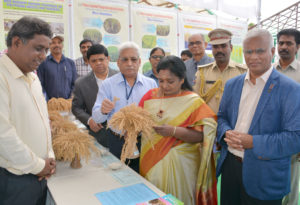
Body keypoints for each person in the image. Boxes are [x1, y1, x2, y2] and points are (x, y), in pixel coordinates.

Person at [216, 28, 300, 205]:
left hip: (265, 174)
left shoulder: (290, 89)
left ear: (271, 51)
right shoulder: (232, 85)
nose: (253, 57)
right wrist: (226, 132)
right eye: (249, 52)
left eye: (260, 51)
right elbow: (222, 117)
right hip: (231, 167)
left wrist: (252, 142)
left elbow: (295, 138)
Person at [139, 56, 217, 205]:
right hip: (151, 160)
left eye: (170, 81)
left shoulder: (192, 101)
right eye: (161, 81)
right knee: (154, 197)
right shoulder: (150, 96)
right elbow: (137, 120)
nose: (164, 86)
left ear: (182, 79)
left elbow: (203, 135)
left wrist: (173, 131)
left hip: (183, 165)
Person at [0, 16, 56, 205]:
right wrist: (38, 165)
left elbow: (42, 120)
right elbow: (3, 134)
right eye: (38, 48)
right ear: (16, 42)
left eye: (46, 50)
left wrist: (49, 158)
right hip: (14, 179)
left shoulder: (33, 77)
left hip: (38, 174)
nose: (43, 56)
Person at [92, 42, 157, 172]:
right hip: (117, 140)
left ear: (139, 62)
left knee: (143, 174)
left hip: (143, 140)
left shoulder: (151, 84)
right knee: (118, 175)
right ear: (118, 63)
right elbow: (96, 118)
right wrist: (103, 111)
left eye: (133, 59)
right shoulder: (108, 84)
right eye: (125, 60)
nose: (129, 63)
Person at [72, 44, 118, 147]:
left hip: (121, 133)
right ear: (88, 62)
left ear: (108, 59)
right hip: (97, 134)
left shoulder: (120, 78)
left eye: (101, 59)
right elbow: (76, 108)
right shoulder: (81, 83)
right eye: (93, 61)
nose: (98, 63)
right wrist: (89, 120)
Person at [274, 28, 300, 205]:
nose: (284, 46)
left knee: (291, 183)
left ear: (297, 47)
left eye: (289, 43)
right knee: (271, 180)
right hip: (269, 135)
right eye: (281, 43)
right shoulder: (268, 71)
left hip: (294, 135)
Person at [194, 28, 247, 114]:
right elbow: (196, 101)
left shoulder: (243, 72)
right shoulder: (202, 72)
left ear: (231, 47)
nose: (219, 50)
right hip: (209, 123)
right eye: (215, 47)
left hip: (233, 124)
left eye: (223, 46)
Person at [37, 34, 77, 100]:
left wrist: (70, 98)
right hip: (50, 104)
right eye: (53, 43)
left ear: (62, 45)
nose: (57, 45)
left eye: (59, 43)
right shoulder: (43, 63)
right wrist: (46, 100)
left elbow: (75, 84)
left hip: (67, 103)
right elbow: (40, 84)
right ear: (49, 45)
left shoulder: (70, 63)